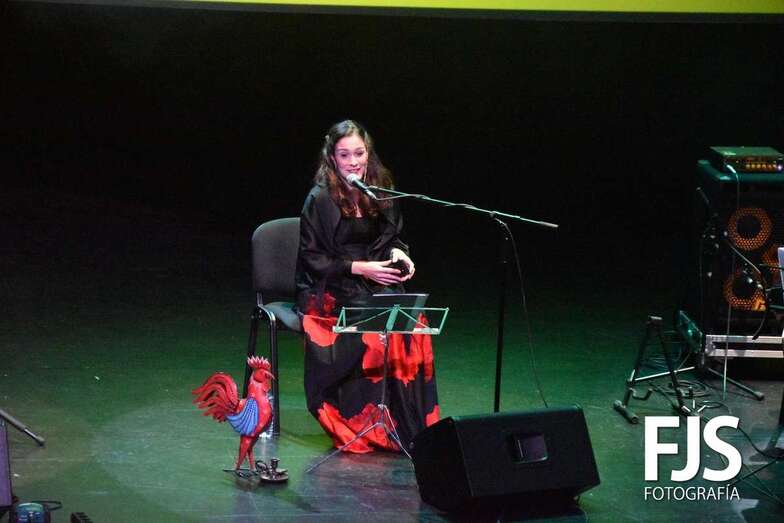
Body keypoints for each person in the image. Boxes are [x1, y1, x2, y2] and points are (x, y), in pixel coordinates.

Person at [295, 119, 439, 453]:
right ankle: (368, 425)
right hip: (333, 286)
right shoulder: (320, 198)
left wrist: (400, 254)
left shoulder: (380, 188)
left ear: (368, 152)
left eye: (359, 153)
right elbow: (312, 259)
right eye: (344, 155)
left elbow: (392, 237)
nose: (353, 161)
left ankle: (407, 426)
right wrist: (361, 268)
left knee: (412, 322)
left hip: (372, 281)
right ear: (332, 158)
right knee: (376, 330)